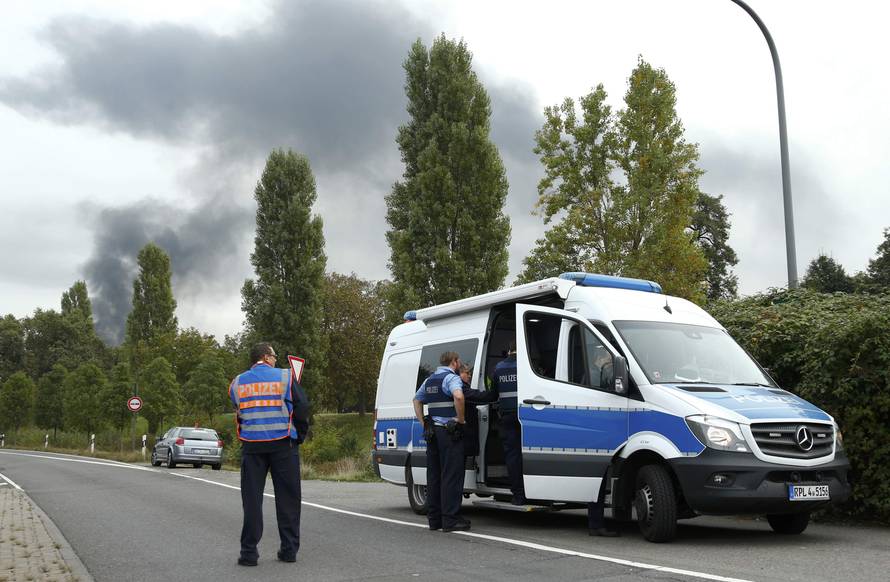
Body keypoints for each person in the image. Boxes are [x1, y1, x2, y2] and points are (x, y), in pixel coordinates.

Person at [229, 342, 310, 566]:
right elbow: (302, 407)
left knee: (252, 500)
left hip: (252, 446)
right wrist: (299, 435)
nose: (276, 360)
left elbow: (238, 407)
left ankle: (249, 554)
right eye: (274, 356)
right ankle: (288, 551)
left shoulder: (237, 382)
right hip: (283, 445)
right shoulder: (284, 377)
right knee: (288, 500)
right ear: (265, 357)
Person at [412, 351, 469, 532]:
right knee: (451, 475)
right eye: (458, 361)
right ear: (454, 361)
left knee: (434, 476)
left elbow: (416, 400)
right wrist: (460, 420)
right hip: (448, 433)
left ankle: (434, 520)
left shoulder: (430, 380)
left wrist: (423, 423)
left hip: (433, 434)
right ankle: (450, 520)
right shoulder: (451, 378)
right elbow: (459, 397)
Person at [491, 341, 525, 505]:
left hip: (507, 417)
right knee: (527, 454)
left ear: (509, 351)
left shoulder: (499, 367)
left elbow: (493, 392)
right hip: (526, 416)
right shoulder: (527, 366)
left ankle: (518, 494)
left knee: (512, 455)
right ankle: (530, 490)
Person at [458, 364, 497, 457]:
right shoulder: (459, 388)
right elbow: (476, 396)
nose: (469, 376)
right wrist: (495, 392)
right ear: (459, 374)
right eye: (467, 373)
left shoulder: (463, 386)